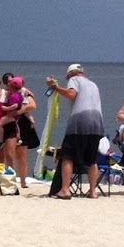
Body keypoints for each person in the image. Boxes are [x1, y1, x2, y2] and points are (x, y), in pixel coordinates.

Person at [46, 63, 105, 199]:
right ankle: (92, 192)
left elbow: (72, 94)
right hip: (97, 124)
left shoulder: (74, 80)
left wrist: (55, 87)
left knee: (67, 156)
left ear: (71, 74)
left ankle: (65, 190)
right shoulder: (93, 85)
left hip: (79, 123)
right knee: (91, 160)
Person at [0, 77, 39, 186]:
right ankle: (11, 180)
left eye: (10, 82)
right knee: (9, 154)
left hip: (21, 124)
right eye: (7, 83)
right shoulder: (5, 94)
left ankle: (23, 181)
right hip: (11, 124)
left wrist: (19, 111)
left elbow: (32, 105)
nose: (9, 85)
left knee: (21, 155)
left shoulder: (24, 92)